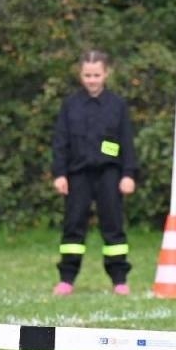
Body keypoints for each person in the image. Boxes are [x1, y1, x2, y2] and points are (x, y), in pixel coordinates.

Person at [51, 49, 139, 295]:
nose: (92, 79)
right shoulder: (70, 105)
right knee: (73, 226)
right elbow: (61, 141)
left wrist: (128, 174)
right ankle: (67, 279)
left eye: (96, 75)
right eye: (87, 75)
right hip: (77, 175)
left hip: (109, 175)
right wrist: (59, 173)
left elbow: (126, 142)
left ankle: (119, 279)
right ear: (81, 75)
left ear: (106, 74)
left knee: (113, 226)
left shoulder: (117, 105)